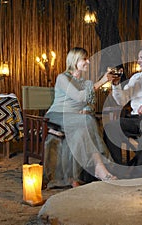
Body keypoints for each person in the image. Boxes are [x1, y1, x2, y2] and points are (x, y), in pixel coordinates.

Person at [44, 47, 118, 188]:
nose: (88, 62)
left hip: (76, 119)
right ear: (74, 60)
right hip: (57, 116)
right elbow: (78, 97)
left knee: (82, 130)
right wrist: (101, 81)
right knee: (88, 121)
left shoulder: (86, 83)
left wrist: (86, 109)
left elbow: (90, 104)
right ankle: (99, 169)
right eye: (84, 59)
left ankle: (74, 178)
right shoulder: (62, 78)